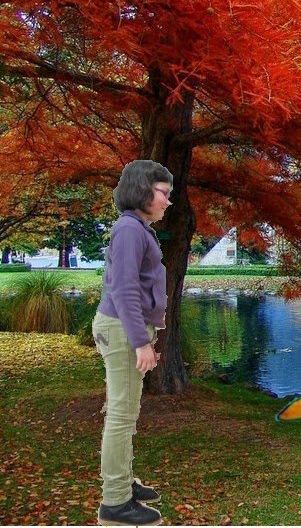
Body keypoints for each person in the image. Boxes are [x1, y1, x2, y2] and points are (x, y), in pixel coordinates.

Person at [93, 160, 173, 526]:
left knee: (125, 413)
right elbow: (124, 289)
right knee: (122, 416)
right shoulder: (129, 229)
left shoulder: (137, 228)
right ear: (142, 191)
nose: (167, 201)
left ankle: (123, 482)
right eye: (163, 193)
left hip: (127, 328)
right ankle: (115, 501)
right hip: (123, 330)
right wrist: (141, 342)